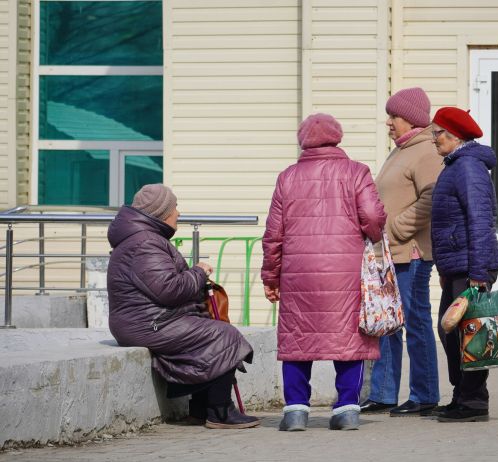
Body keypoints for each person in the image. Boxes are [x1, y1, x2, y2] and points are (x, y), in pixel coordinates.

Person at [262, 113, 387, 432]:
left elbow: (273, 233)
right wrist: (371, 234)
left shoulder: (287, 177)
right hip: (345, 271)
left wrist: (271, 277)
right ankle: (346, 408)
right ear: (337, 137)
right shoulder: (357, 172)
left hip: (298, 271)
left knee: (296, 338)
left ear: (303, 141)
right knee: (349, 338)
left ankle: (295, 411)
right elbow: (372, 216)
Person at [107, 184, 259, 429]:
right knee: (224, 335)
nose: (178, 213)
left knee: (210, 330)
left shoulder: (144, 240)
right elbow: (170, 290)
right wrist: (198, 272)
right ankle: (220, 412)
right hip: (149, 324)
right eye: (174, 207)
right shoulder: (145, 244)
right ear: (161, 212)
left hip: (150, 320)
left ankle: (200, 410)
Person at [360, 87, 443, 417]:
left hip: (411, 253)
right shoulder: (401, 150)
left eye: (393, 116)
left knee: (415, 322)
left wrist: (394, 228)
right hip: (389, 254)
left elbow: (432, 199)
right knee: (387, 323)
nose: (388, 123)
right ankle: (383, 394)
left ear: (409, 119)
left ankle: (424, 395)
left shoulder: (426, 153)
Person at [429, 107, 498, 422]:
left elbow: (480, 220)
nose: (434, 139)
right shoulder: (457, 165)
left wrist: (478, 273)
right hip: (458, 265)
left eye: (437, 133)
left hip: (471, 265)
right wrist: (446, 271)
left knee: (470, 334)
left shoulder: (468, 167)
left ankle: (473, 403)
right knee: (450, 331)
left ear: (454, 135)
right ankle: (463, 397)